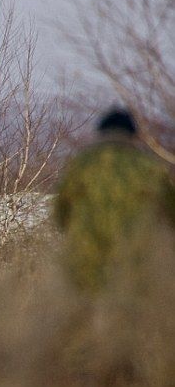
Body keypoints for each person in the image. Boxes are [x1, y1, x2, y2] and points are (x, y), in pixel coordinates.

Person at [53, 108, 175, 293]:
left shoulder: (81, 164)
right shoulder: (149, 166)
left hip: (86, 258)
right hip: (134, 258)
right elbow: (170, 213)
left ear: (101, 132)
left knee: (88, 311)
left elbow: (61, 212)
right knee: (129, 313)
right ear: (132, 134)